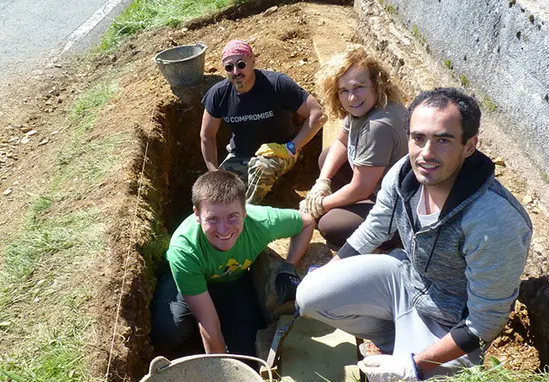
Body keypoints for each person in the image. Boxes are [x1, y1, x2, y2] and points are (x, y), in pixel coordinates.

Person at [296, 88, 532, 382]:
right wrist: (331, 270)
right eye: (418, 138)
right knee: (310, 295)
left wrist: (416, 365)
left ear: (469, 146)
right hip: (405, 280)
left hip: (449, 322)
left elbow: (484, 323)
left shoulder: (492, 220)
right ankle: (392, 338)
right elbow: (377, 227)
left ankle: (413, 355)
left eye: (443, 140)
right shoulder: (405, 173)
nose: (426, 154)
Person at [150, 170, 315, 358]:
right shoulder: (185, 249)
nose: (223, 230)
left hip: (232, 282)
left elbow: (307, 223)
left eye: (232, 217)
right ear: (197, 214)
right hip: (187, 280)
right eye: (213, 219)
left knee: (246, 351)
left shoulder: (262, 222)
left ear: (245, 211)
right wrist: (222, 373)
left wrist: (289, 267)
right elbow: (208, 321)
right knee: (168, 332)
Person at [300, 45, 408, 247]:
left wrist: (319, 205)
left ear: (376, 84)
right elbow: (341, 141)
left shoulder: (377, 127)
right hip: (376, 184)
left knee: (331, 225)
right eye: (344, 90)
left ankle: (387, 242)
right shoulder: (364, 108)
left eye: (359, 87)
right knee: (327, 158)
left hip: (400, 209)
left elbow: (360, 188)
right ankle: (346, 206)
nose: (352, 97)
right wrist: (322, 182)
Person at [200, 40, 326, 204]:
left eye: (241, 64)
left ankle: (247, 214)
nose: (236, 71)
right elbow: (207, 135)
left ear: (252, 60)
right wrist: (214, 172)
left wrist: (290, 147)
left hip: (280, 152)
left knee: (262, 167)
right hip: (240, 156)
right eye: (229, 67)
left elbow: (318, 115)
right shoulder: (219, 94)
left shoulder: (277, 84)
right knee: (219, 191)